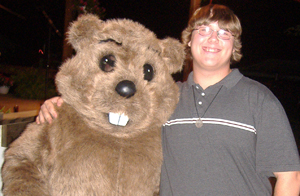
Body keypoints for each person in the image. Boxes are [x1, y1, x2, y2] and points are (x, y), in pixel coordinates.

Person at [37, 4, 300, 195]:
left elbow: (290, 178)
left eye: (224, 34)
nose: (213, 39)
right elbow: (107, 114)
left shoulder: (259, 99)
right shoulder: (162, 98)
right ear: (188, 41)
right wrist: (61, 106)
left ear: (234, 46)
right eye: (204, 30)